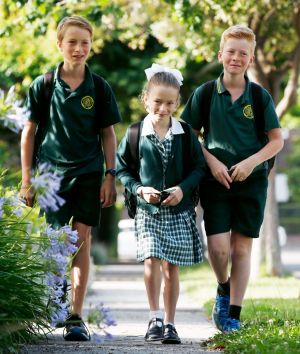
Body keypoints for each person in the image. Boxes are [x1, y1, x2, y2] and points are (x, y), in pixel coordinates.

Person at [20, 16, 121, 341]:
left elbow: (108, 134)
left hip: (89, 175)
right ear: (60, 44)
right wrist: (27, 179)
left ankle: (76, 317)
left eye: (85, 43)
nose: (79, 48)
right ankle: (56, 302)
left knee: (81, 242)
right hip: (51, 178)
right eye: (72, 42)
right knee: (55, 244)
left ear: (91, 46)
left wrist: (110, 175)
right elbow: (29, 132)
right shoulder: (44, 84)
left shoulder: (100, 87)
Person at [181, 25, 284, 333]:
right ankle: (222, 288)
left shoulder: (259, 96)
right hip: (216, 182)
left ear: (250, 59)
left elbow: (276, 140)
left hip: (251, 182)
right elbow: (187, 135)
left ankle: (233, 315)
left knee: (241, 249)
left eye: (243, 53)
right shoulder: (206, 93)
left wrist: (252, 164)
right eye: (231, 52)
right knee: (218, 249)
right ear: (221, 55)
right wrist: (210, 162)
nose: (236, 58)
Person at [117, 63, 206, 344]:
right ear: (146, 99)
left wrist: (183, 189)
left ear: (177, 102)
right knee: (151, 260)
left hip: (178, 210)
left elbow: (199, 168)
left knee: (171, 267)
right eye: (157, 101)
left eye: (169, 103)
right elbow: (121, 169)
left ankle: (170, 323)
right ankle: (153, 318)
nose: (163, 108)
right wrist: (139, 189)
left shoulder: (185, 133)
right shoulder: (135, 133)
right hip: (148, 211)